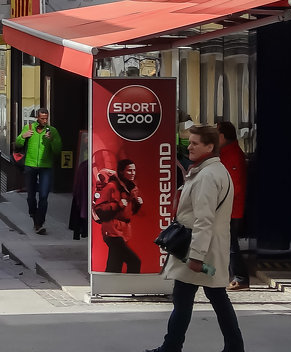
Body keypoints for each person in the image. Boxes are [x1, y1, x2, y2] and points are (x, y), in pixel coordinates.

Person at [145, 124, 244, 352]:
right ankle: (232, 346)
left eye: (194, 143)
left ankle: (172, 346)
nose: (189, 146)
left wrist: (197, 256)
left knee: (190, 298)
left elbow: (204, 219)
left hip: (198, 250)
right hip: (205, 248)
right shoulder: (211, 171)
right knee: (209, 297)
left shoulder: (207, 176)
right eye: (189, 142)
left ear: (210, 146)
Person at [15, 108, 61, 234]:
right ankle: (33, 215)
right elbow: (18, 144)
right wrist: (22, 137)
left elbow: (58, 150)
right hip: (30, 165)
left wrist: (51, 140)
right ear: (37, 118)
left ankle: (39, 223)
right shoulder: (28, 127)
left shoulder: (52, 131)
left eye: (46, 118)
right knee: (30, 196)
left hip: (46, 167)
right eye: (42, 118)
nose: (45, 121)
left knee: (44, 196)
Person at [94, 159, 143, 272]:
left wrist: (137, 205)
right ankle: (131, 288)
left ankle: (110, 286)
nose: (133, 173)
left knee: (114, 263)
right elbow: (99, 208)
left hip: (123, 231)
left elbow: (129, 212)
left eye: (134, 170)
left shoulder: (132, 188)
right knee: (134, 261)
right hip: (112, 230)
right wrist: (117, 205)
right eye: (129, 170)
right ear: (121, 172)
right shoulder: (111, 186)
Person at [218, 120, 250, 290]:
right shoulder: (226, 152)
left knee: (230, 245)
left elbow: (233, 186)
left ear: (222, 136)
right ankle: (234, 275)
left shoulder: (231, 155)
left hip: (230, 209)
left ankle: (241, 277)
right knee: (227, 243)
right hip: (228, 207)